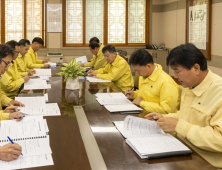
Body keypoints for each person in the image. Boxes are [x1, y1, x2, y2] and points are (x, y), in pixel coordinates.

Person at [145, 43, 222, 168]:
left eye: (177, 71)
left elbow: (219, 139)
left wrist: (179, 126)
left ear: (196, 68)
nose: (175, 76)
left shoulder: (218, 92)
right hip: (184, 151)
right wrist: (164, 118)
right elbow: (187, 114)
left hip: (207, 163)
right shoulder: (190, 85)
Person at [125, 49, 179, 114]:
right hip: (146, 113)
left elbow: (167, 110)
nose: (138, 73)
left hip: (160, 120)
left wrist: (142, 103)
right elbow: (148, 94)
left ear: (148, 66)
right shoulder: (144, 76)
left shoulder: (166, 83)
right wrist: (134, 94)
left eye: (139, 71)